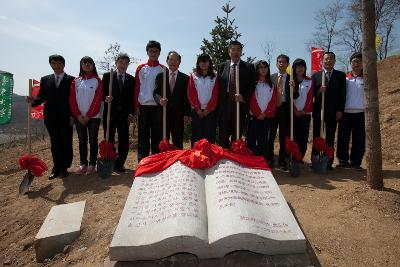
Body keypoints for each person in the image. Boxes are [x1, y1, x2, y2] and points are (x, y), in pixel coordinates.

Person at [27, 55, 74, 179]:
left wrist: (72, 115)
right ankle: (56, 168)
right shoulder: (45, 79)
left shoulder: (71, 80)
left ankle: (64, 167)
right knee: (54, 142)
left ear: (64, 64)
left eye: (59, 63)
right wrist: (32, 101)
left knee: (66, 141)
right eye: (54, 63)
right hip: (50, 116)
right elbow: (41, 97)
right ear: (51, 65)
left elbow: (74, 100)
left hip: (66, 116)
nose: (57, 65)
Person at [216, 40, 256, 148]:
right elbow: (217, 86)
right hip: (225, 105)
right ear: (229, 51)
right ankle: (223, 157)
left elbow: (252, 86)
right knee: (223, 133)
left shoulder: (248, 67)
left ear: (241, 52)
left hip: (240, 104)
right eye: (233, 49)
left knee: (236, 133)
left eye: (238, 50)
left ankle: (235, 157)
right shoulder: (222, 66)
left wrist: (243, 97)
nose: (235, 52)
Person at [312, 51, 346, 169]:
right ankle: (315, 160)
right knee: (317, 136)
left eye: (331, 59)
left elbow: (343, 94)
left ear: (334, 61)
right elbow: (311, 94)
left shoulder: (341, 76)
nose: (328, 61)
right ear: (322, 61)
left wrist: (340, 110)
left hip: (333, 111)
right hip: (318, 111)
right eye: (326, 59)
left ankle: (328, 161)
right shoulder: (316, 76)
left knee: (330, 136)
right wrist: (318, 91)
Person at [102, 53, 135, 172]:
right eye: (121, 62)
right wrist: (105, 98)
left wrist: (131, 113)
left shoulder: (131, 79)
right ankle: (112, 159)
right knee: (109, 138)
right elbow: (101, 93)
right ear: (116, 63)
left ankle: (120, 163)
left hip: (124, 115)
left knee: (123, 139)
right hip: (110, 113)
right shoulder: (107, 76)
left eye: (126, 63)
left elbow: (132, 98)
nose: (123, 65)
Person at [69, 56, 103, 175]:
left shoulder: (97, 80)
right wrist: (77, 115)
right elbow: (72, 99)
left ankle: (92, 165)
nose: (87, 65)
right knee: (82, 141)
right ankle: (83, 164)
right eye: (84, 63)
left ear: (93, 65)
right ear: (81, 66)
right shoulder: (76, 81)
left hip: (93, 117)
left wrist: (89, 115)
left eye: (89, 63)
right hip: (79, 117)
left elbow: (98, 99)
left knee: (93, 141)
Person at [153, 51, 189, 149]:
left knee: (178, 141)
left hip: (178, 115)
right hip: (163, 114)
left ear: (179, 62)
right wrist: (160, 99)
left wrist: (186, 114)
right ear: (167, 61)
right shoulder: (160, 76)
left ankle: (178, 163)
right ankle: (164, 163)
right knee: (163, 141)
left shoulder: (185, 78)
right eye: (171, 59)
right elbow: (155, 93)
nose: (173, 62)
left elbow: (187, 98)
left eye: (176, 60)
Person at [135, 40, 163, 162]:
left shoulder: (163, 69)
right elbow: (136, 88)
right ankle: (143, 160)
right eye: (151, 51)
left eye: (156, 51)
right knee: (143, 135)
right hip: (143, 107)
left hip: (158, 107)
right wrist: (136, 106)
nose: (153, 53)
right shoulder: (141, 68)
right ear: (147, 52)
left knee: (157, 135)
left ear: (159, 53)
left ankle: (156, 160)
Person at [268, 54, 298, 170]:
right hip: (273, 109)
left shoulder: (292, 78)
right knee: (271, 135)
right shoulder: (271, 77)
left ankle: (282, 160)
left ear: (287, 64)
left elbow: (295, 95)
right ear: (276, 64)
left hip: (285, 109)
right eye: (279, 62)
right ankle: (270, 158)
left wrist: (294, 88)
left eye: (284, 62)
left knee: (283, 136)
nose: (281, 64)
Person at [336, 52, 365, 169]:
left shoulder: (367, 78)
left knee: (359, 139)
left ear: (363, 63)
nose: (356, 64)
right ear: (350, 63)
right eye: (354, 61)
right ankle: (343, 161)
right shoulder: (344, 78)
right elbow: (339, 95)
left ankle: (356, 162)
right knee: (343, 138)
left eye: (359, 61)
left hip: (361, 113)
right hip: (345, 113)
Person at [247, 60, 276, 161]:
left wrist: (265, 113)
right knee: (251, 140)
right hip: (254, 116)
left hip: (266, 117)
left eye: (265, 68)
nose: (263, 70)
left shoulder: (271, 85)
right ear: (257, 69)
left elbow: (273, 101)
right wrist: (258, 113)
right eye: (261, 67)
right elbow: (252, 100)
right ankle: (251, 161)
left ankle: (262, 161)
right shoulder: (253, 84)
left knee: (263, 140)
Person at [187, 54, 219, 145]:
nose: (204, 63)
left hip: (210, 112)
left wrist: (207, 110)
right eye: (201, 61)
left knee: (210, 137)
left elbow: (215, 94)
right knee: (196, 137)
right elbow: (191, 93)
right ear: (198, 63)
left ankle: (210, 158)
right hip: (196, 112)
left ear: (210, 63)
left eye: (206, 61)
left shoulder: (215, 76)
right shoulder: (193, 76)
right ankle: (195, 158)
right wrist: (198, 109)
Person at [289, 58, 314, 157]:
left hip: (305, 114)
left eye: (302, 66)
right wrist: (295, 110)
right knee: (293, 136)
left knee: (303, 137)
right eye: (297, 67)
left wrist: (304, 111)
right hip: (293, 114)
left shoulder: (310, 81)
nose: (300, 69)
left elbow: (310, 97)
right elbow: (289, 99)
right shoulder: (290, 81)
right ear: (294, 68)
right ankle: (292, 156)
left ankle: (300, 157)